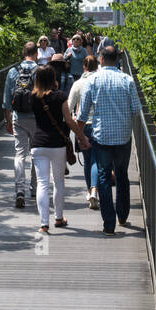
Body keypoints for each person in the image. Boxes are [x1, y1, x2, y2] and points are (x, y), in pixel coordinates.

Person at [76, 46, 142, 235]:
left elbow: (82, 113)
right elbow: (136, 110)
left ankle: (109, 224)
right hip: (123, 137)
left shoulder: (93, 80)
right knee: (121, 174)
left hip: (101, 136)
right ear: (117, 60)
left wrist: (80, 136)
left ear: (101, 60)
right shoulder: (127, 80)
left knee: (104, 177)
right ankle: (122, 215)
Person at [29, 64, 89, 233]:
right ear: (53, 79)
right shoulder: (60, 96)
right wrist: (81, 137)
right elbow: (69, 121)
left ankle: (43, 223)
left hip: (38, 143)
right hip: (57, 145)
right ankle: (59, 218)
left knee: (42, 183)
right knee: (58, 182)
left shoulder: (32, 97)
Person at [3, 41, 41, 208]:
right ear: (36, 54)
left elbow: (6, 101)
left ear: (22, 52)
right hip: (37, 118)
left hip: (18, 117)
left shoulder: (13, 71)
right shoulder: (40, 71)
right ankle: (34, 187)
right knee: (35, 153)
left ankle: (20, 190)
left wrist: (8, 120)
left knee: (20, 154)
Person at [68, 54, 99, 208]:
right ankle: (95, 189)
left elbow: (68, 106)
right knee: (96, 160)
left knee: (88, 160)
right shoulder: (101, 81)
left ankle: (89, 190)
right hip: (100, 125)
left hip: (83, 125)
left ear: (84, 67)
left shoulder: (78, 84)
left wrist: (72, 119)